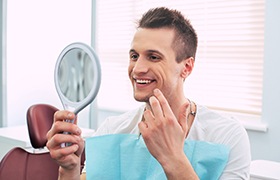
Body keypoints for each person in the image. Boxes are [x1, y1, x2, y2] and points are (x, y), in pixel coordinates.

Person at [46, 7, 251, 180]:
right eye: (134, 56)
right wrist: (69, 169)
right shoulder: (111, 131)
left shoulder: (227, 137)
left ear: (187, 67)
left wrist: (173, 159)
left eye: (153, 57)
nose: (137, 69)